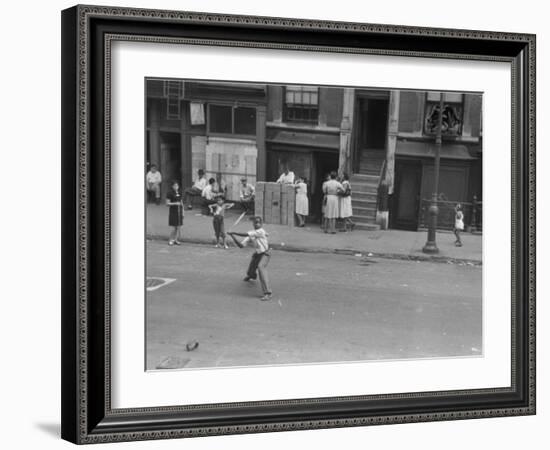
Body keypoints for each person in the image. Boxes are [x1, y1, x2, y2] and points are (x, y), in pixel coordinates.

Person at [228, 217, 272, 301]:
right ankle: (251, 275)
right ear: (253, 224)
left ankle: (268, 293)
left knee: (260, 267)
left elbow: (246, 234)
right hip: (258, 254)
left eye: (258, 223)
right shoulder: (252, 235)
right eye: (255, 223)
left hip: (266, 253)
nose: (257, 224)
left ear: (261, 224)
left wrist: (234, 232)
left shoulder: (260, 231)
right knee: (251, 269)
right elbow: (241, 246)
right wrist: (232, 236)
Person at [165, 180, 184, 246]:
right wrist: (175, 203)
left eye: (177, 185)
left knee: (178, 227)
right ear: (172, 186)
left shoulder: (179, 192)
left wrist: (183, 212)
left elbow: (181, 202)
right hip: (173, 211)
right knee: (173, 227)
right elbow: (167, 203)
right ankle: (170, 240)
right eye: (175, 185)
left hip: (179, 211)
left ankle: (175, 240)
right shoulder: (169, 193)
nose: (176, 187)